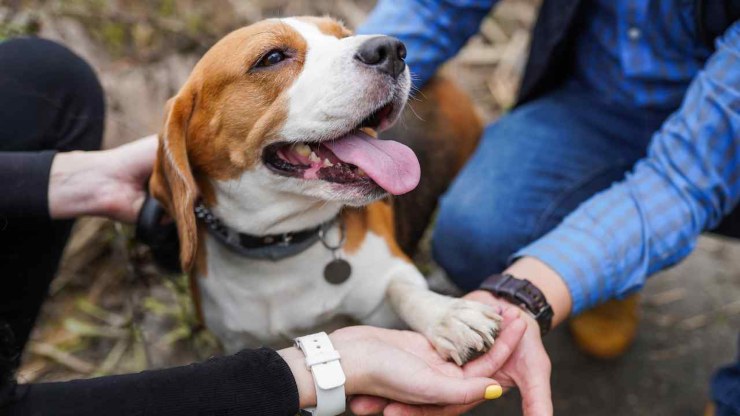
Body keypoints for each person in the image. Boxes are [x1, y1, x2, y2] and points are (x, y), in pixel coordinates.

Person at [0, 37, 532, 415]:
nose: (383, 50)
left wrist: (422, 306)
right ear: (191, 136)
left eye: (336, 40)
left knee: (50, 76)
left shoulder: (358, 190)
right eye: (274, 59)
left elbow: (394, 281)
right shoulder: (188, 200)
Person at [352, 0, 740, 415]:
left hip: (723, 145)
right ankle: (605, 275)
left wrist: (525, 293)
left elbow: (682, 181)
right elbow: (437, 8)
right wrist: (346, 84)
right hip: (594, 107)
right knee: (476, 232)